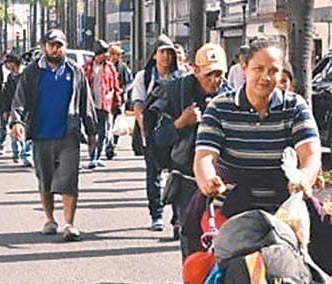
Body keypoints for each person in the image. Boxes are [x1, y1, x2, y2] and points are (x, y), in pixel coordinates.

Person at [194, 37, 322, 215]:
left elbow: (311, 153)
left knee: (328, 235)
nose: (265, 77)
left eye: (273, 70)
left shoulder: (295, 106)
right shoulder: (219, 107)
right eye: (258, 69)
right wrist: (208, 180)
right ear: (244, 68)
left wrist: (304, 179)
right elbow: (204, 156)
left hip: (285, 209)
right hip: (230, 206)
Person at [10, 29, 98, 241]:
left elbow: (86, 102)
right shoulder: (32, 71)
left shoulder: (75, 70)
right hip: (41, 133)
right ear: (44, 47)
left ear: (64, 47)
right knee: (45, 179)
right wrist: (17, 121)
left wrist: (92, 130)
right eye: (51, 45)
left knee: (69, 180)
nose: (55, 49)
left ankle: (69, 223)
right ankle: (50, 219)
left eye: (59, 45)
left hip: (68, 132)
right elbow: (20, 98)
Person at [146, 43, 231, 257]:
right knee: (191, 235)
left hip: (223, 178)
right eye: (209, 74)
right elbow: (158, 138)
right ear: (196, 70)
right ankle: (193, 282)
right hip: (187, 177)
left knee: (226, 235)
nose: (214, 80)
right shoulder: (175, 93)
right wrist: (180, 123)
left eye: (219, 74)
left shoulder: (231, 97)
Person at [131, 34, 182, 232]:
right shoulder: (143, 77)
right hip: (152, 134)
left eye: (170, 53)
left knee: (178, 175)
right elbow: (138, 105)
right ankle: (156, 214)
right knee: (153, 175)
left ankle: (178, 217)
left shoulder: (181, 76)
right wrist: (144, 130)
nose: (166, 57)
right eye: (162, 52)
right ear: (154, 55)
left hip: (176, 132)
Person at [0, 54, 32, 166]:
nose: (7, 66)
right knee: (14, 130)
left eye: (9, 63)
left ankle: (26, 155)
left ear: (15, 63)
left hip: (28, 107)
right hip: (12, 107)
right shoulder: (11, 77)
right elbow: (5, 94)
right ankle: (17, 152)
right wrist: (4, 109)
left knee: (29, 132)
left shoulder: (27, 75)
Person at [84, 39, 123, 169]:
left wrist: (118, 101)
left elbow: (115, 86)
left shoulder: (110, 68)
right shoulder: (87, 67)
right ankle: (92, 156)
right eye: (103, 53)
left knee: (103, 132)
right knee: (91, 131)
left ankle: (97, 156)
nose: (106, 56)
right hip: (90, 105)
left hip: (105, 104)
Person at [108, 44, 133, 155]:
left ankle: (113, 144)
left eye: (117, 54)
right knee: (107, 123)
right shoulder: (106, 66)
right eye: (112, 54)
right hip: (107, 99)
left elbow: (130, 82)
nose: (115, 57)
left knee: (116, 121)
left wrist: (124, 91)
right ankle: (108, 143)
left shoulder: (123, 67)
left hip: (119, 98)